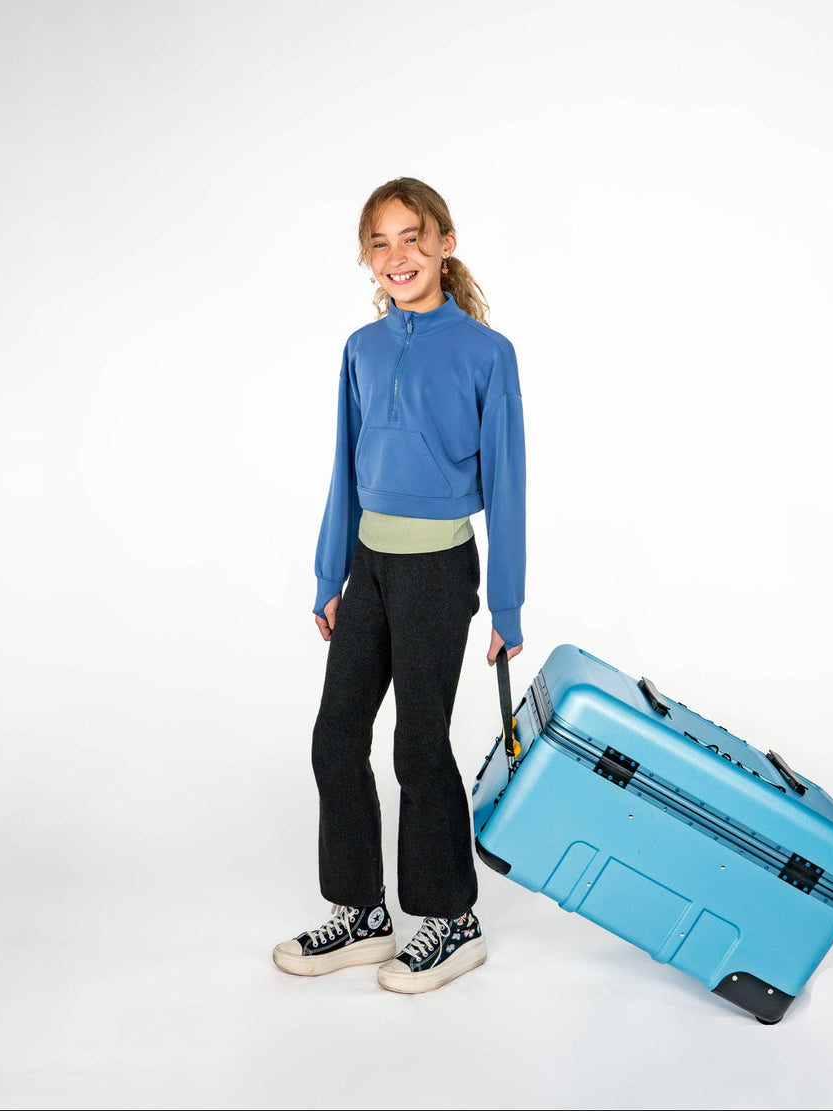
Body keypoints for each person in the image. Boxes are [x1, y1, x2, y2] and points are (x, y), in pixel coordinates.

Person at [272, 177, 527, 994]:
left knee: (418, 745)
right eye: (379, 242)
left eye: (412, 237)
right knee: (336, 735)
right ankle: (364, 915)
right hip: (370, 567)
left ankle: (453, 922)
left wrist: (508, 602)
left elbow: (511, 484)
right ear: (366, 258)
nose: (397, 255)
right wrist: (329, 572)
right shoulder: (361, 347)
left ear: (445, 243)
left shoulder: (487, 353)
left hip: (437, 569)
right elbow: (343, 470)